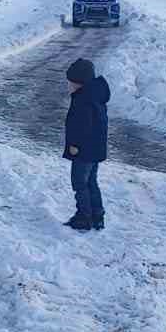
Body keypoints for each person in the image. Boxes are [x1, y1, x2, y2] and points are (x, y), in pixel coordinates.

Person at [63, 58, 110, 231]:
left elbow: (82, 127)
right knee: (91, 182)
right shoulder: (95, 94)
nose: (68, 85)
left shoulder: (83, 100)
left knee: (79, 183)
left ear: (79, 82)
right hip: (95, 149)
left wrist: (74, 145)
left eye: (71, 82)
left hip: (83, 150)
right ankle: (97, 216)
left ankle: (84, 217)